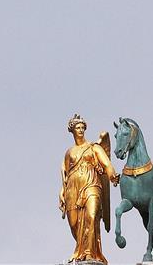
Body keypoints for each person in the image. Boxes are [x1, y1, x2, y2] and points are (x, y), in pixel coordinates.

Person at [59, 113, 120, 263]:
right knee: (74, 224)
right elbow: (66, 175)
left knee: (91, 217)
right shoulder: (69, 153)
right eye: (77, 128)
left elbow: (106, 164)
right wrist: (62, 192)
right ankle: (81, 249)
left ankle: (89, 253)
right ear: (72, 131)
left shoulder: (94, 147)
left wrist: (112, 176)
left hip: (92, 185)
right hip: (72, 189)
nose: (80, 130)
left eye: (82, 127)